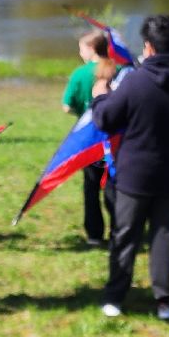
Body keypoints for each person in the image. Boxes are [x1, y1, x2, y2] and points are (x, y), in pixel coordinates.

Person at [92, 14, 169, 320]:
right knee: (166, 237)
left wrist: (99, 99)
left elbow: (106, 119)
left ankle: (115, 298)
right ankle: (165, 302)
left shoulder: (135, 82)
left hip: (134, 176)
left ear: (148, 47)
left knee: (125, 236)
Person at [63, 30, 111, 245]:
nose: (79, 52)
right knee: (113, 184)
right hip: (115, 140)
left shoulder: (79, 74)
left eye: (81, 48)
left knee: (91, 186)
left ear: (91, 49)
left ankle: (94, 235)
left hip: (89, 140)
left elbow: (66, 106)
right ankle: (121, 229)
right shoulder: (116, 70)